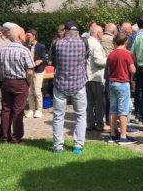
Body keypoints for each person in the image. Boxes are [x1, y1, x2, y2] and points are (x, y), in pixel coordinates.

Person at [51, 21, 88, 154]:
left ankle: (58, 147)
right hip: (79, 83)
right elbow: (85, 59)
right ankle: (78, 146)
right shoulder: (83, 43)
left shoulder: (56, 43)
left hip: (60, 83)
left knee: (58, 116)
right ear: (77, 32)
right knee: (81, 115)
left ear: (65, 31)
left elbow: (53, 62)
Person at [0, 24, 35, 144]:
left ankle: (4, 137)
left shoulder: (2, 49)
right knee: (18, 110)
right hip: (20, 82)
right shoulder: (24, 50)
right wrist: (28, 82)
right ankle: (16, 138)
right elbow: (30, 71)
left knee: (6, 109)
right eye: (24, 34)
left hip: (6, 81)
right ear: (20, 35)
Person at [107, 33, 137, 145]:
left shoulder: (111, 54)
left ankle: (112, 135)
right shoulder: (126, 54)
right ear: (126, 42)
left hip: (112, 83)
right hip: (123, 83)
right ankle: (123, 136)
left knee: (113, 110)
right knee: (123, 111)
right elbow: (133, 70)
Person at [86, 25, 108, 132]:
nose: (103, 34)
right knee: (99, 102)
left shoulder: (87, 41)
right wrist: (108, 58)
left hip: (87, 76)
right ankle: (100, 124)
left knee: (90, 102)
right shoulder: (95, 44)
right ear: (98, 33)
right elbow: (99, 61)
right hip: (96, 76)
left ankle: (90, 123)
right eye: (102, 32)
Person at [24, 29, 47, 119]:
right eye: (26, 36)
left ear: (34, 36)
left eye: (29, 36)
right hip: (29, 71)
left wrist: (39, 61)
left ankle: (39, 110)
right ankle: (31, 109)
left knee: (37, 91)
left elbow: (44, 58)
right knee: (30, 92)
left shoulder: (40, 46)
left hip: (38, 71)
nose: (27, 38)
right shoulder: (26, 46)